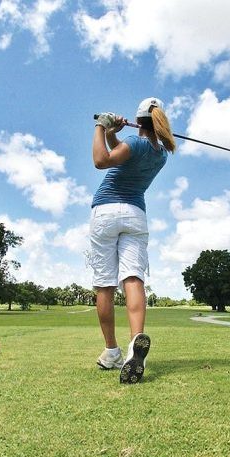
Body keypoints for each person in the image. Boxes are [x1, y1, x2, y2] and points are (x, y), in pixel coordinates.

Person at [89, 97, 175, 384]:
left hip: (106, 211)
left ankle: (111, 349)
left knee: (105, 283)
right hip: (136, 215)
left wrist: (101, 127)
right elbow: (123, 153)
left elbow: (102, 161)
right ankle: (134, 344)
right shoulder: (160, 153)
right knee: (133, 279)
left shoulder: (135, 142)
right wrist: (115, 132)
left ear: (139, 121)